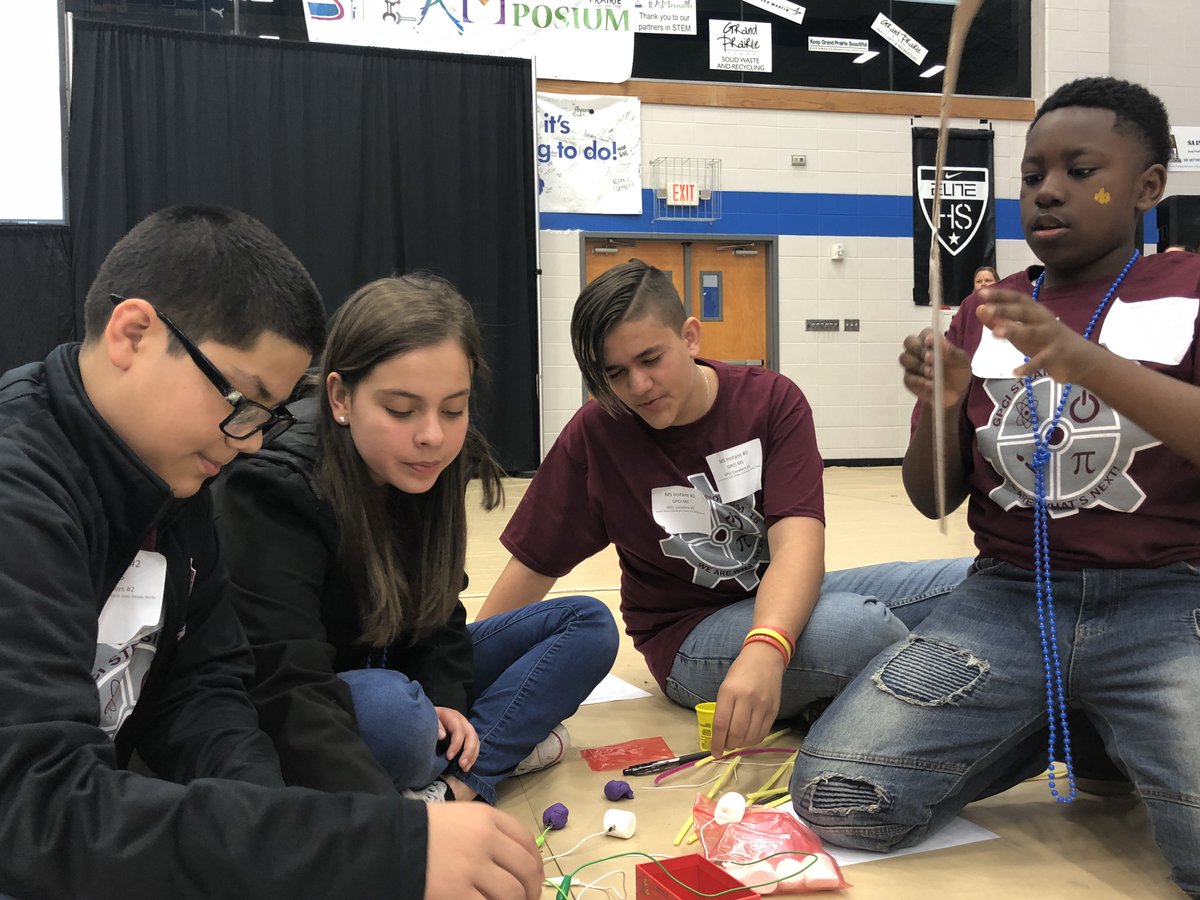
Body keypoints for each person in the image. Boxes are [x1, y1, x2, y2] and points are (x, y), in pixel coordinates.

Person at [0, 206, 542, 900]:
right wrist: (374, 846)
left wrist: (298, 835)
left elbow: (206, 696)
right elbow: (40, 814)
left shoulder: (177, 482)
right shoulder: (22, 494)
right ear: (133, 334)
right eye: (240, 399)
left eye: (269, 414)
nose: (252, 439)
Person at [790, 77, 1200, 899]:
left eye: (1083, 170)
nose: (1048, 190)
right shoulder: (985, 314)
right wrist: (939, 409)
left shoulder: (1189, 287)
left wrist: (1082, 359)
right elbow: (931, 497)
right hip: (1009, 601)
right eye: (1031, 173)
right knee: (839, 796)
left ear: (1148, 187)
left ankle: (1099, 721)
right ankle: (1070, 723)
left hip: (1165, 602)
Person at [479, 259, 970, 759]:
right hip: (690, 639)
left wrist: (766, 647)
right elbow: (531, 567)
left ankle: (841, 697)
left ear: (690, 337)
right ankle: (906, 701)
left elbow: (798, 547)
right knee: (861, 628)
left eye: (651, 359)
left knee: (980, 581)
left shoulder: (772, 401)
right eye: (616, 373)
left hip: (777, 606)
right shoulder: (596, 434)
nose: (639, 385)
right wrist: (463, 677)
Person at [213, 274, 618, 806]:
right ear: (340, 397)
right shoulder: (274, 490)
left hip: (399, 669)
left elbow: (441, 612)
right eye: (401, 410)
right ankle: (495, 751)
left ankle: (460, 781)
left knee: (587, 624)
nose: (432, 434)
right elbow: (287, 688)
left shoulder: (427, 463)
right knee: (393, 716)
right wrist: (397, 835)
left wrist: (446, 700)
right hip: (329, 699)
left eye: (453, 409)